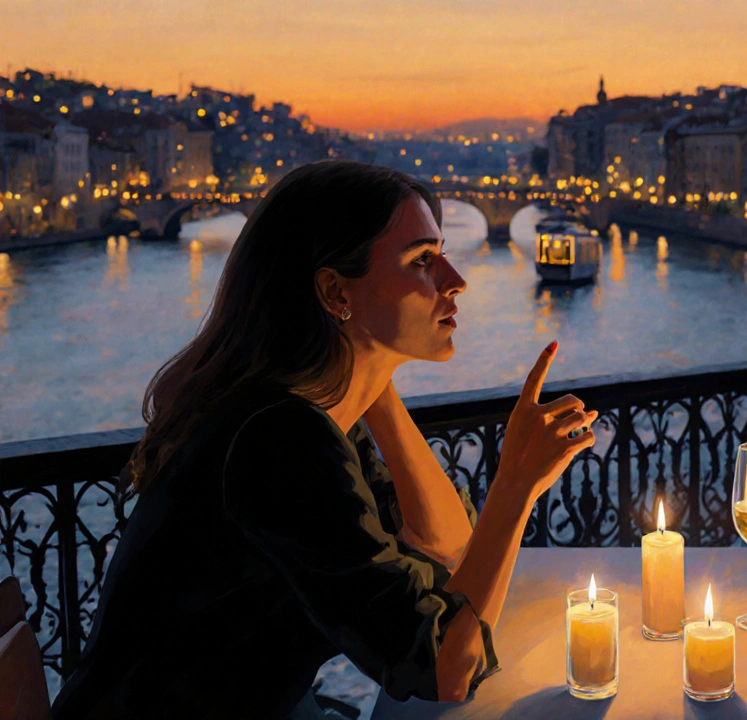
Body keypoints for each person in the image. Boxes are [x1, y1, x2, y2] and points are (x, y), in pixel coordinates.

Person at [52, 160, 599, 718]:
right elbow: (445, 668)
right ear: (335, 291)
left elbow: (446, 547)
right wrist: (515, 484)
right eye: (423, 260)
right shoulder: (274, 437)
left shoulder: (313, 414)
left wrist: (372, 372)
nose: (455, 280)